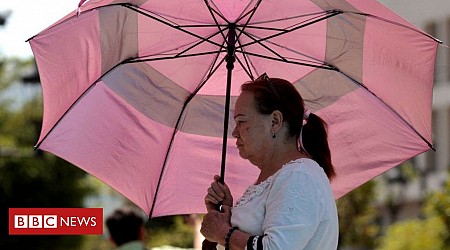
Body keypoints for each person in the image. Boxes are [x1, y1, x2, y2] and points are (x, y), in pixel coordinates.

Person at [200, 74, 339, 249]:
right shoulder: (282, 177)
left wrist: (224, 233)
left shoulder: (299, 176)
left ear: (275, 122)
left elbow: (276, 247)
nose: (235, 132)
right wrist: (225, 217)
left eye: (241, 121)